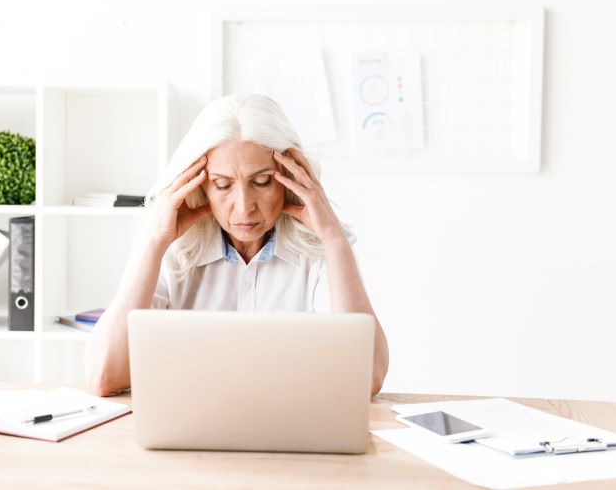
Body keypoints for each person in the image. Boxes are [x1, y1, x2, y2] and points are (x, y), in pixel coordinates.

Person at [84, 94, 389, 397]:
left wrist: (335, 239)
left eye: (261, 182)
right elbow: (103, 376)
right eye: (223, 184)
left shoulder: (320, 252)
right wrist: (152, 243)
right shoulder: (173, 252)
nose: (244, 209)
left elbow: (368, 380)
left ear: (290, 177)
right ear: (198, 184)